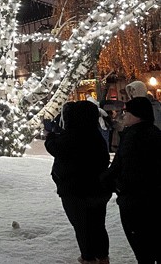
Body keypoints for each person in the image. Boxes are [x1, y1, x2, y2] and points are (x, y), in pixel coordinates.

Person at [45, 101, 111, 264]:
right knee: (97, 225)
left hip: (75, 191)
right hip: (97, 191)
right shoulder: (95, 136)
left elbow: (55, 147)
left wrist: (50, 135)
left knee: (83, 227)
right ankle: (102, 257)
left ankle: (88, 258)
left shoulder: (72, 136)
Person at [102, 96, 161, 263]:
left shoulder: (134, 137)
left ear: (138, 115)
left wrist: (115, 186)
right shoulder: (154, 132)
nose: (123, 116)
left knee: (143, 249)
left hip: (136, 202)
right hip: (152, 200)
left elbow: (124, 168)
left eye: (127, 112)